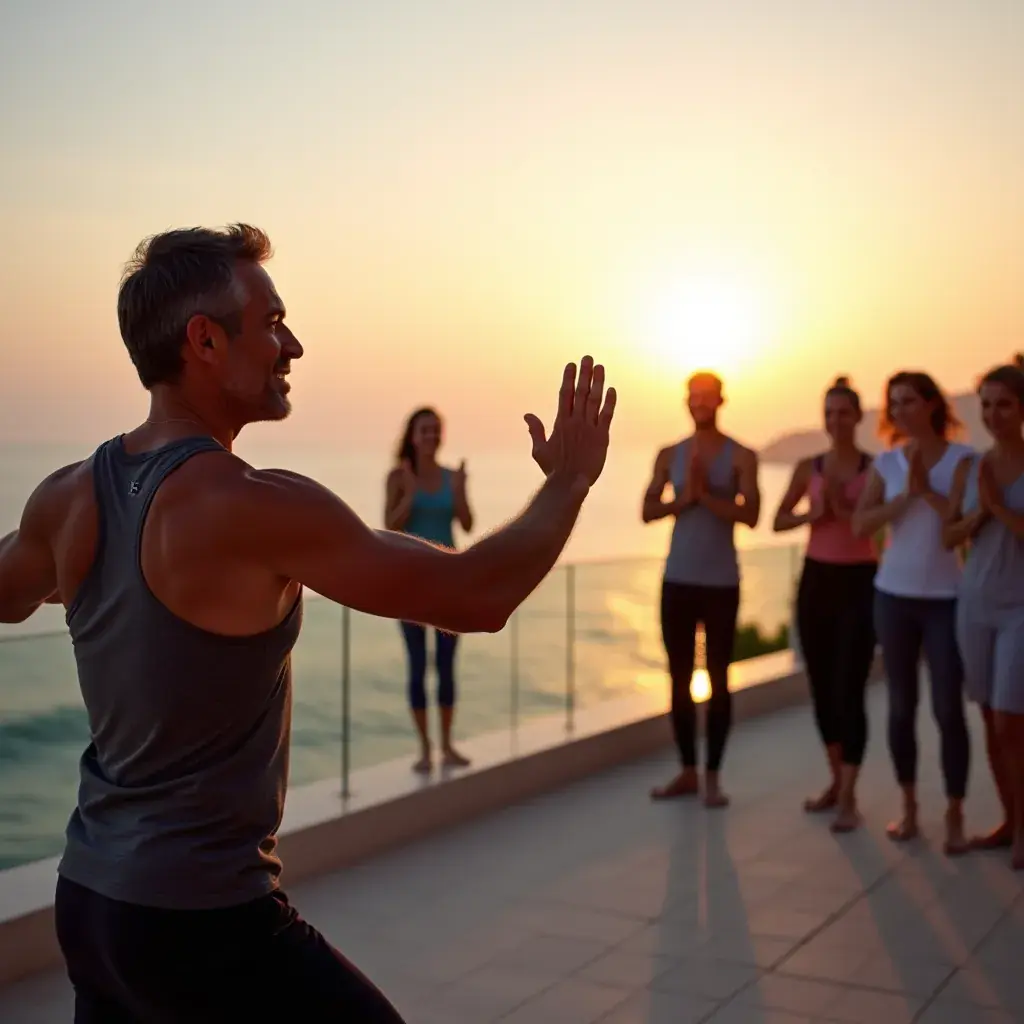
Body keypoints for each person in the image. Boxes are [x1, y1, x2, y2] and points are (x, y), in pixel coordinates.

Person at [0, 224, 616, 1022]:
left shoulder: (66, 497)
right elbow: (474, 596)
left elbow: (9, 593)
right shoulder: (251, 504)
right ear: (205, 341)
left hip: (90, 902)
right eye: (272, 323)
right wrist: (568, 483)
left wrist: (106, 579)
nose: (293, 345)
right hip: (204, 921)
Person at [852, 370, 974, 855]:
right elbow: (861, 523)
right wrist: (904, 496)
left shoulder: (966, 460)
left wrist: (926, 491)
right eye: (893, 403)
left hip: (946, 599)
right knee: (901, 707)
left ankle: (956, 813)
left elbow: (962, 528)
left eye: (907, 401)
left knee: (948, 709)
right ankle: (908, 808)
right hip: (893, 597)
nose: (899, 410)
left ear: (931, 405)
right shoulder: (886, 464)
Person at [642, 370, 760, 808]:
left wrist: (704, 495)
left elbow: (752, 514)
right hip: (678, 580)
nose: (700, 403)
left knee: (718, 679)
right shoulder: (668, 453)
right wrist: (683, 499)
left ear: (721, 400)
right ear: (686, 402)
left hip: (721, 583)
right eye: (694, 396)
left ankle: (713, 777)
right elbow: (648, 509)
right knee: (677, 680)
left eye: (708, 396)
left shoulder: (742, 455)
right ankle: (688, 771)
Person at [773, 376, 878, 832]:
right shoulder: (807, 468)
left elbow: (879, 530)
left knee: (849, 688)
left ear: (858, 417)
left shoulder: (876, 470)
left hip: (860, 582)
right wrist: (811, 514)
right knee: (820, 688)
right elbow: (778, 520)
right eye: (829, 413)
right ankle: (837, 782)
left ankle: (849, 796)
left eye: (844, 413)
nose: (836, 421)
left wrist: (846, 509)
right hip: (816, 582)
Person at [943, 356, 1024, 869]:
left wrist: (998, 509)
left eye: (1005, 405)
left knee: (1012, 724)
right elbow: (947, 536)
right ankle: (1010, 820)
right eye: (987, 405)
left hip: (1020, 608)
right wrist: (978, 513)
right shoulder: (969, 468)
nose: (994, 415)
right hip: (974, 603)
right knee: (990, 718)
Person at [384, 407, 474, 772]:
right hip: (410, 585)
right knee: (418, 666)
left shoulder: (452, 476)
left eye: (437, 430)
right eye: (425, 430)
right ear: (412, 435)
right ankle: (424, 749)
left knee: (447, 666)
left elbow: (468, 524)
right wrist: (408, 492)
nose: (432, 436)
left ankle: (448, 745)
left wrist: (462, 490)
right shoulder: (398, 476)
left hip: (450, 584)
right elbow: (389, 526)